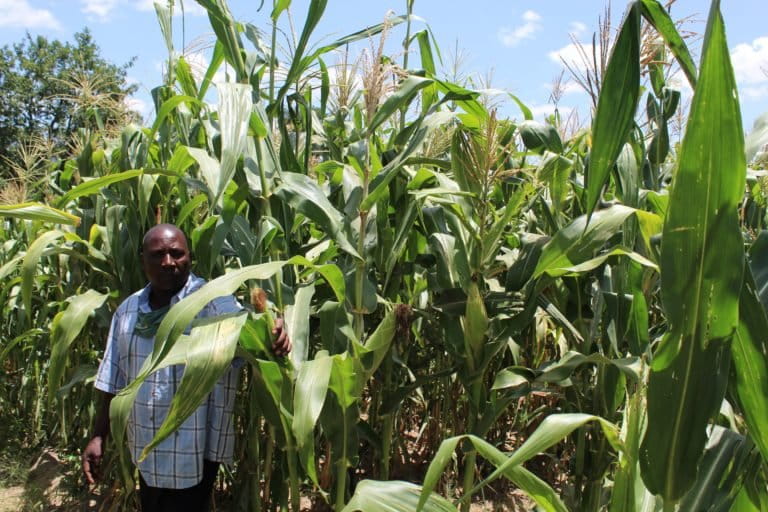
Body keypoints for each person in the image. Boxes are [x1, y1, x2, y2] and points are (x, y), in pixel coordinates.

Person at [82, 223, 290, 511]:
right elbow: (113, 379)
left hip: (195, 451)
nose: (168, 262)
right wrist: (98, 435)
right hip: (145, 447)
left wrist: (276, 331)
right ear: (143, 260)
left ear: (189, 257)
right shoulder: (128, 312)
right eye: (158, 255)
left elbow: (257, 334)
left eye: (176, 254)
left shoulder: (215, 306)